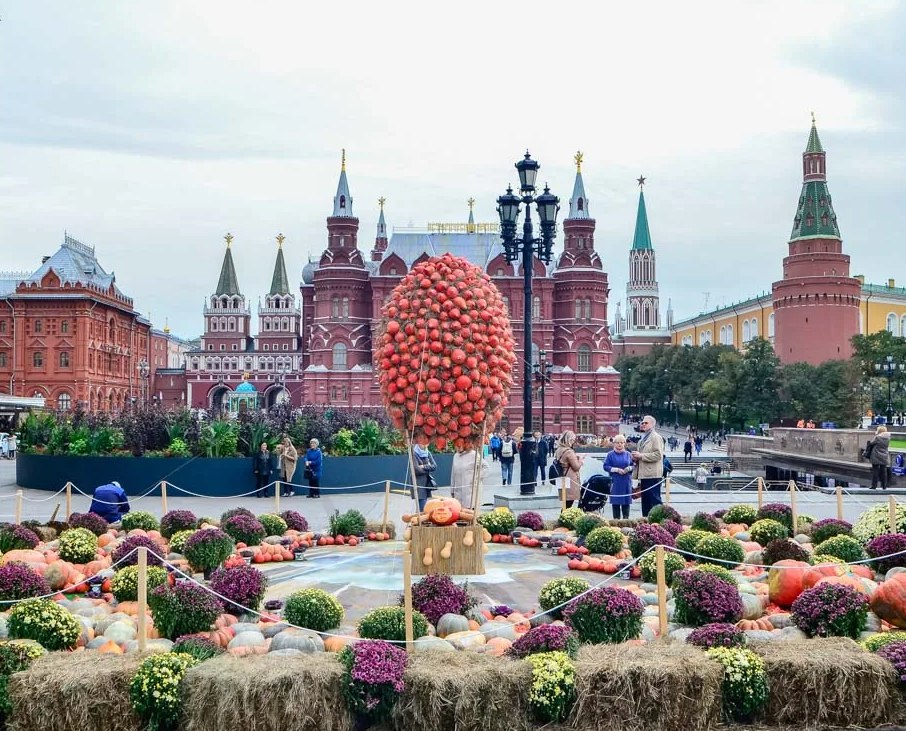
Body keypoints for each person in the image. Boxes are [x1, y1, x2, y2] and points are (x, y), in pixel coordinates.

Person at [630, 415, 665, 517]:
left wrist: (641, 456)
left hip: (653, 475)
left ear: (652, 425)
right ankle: (646, 523)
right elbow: (642, 457)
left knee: (654, 501)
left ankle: (659, 522)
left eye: (646, 423)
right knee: (645, 502)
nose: (643, 424)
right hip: (644, 474)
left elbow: (658, 455)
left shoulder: (656, 438)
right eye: (642, 423)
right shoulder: (642, 440)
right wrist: (635, 458)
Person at [602, 434, 633, 519]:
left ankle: (626, 520)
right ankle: (616, 521)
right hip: (615, 481)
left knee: (626, 503)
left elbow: (634, 465)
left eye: (622, 442)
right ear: (614, 443)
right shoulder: (610, 455)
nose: (620, 444)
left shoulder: (628, 454)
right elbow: (605, 466)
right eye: (618, 442)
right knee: (616, 503)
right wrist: (616, 470)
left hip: (626, 481)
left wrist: (629, 468)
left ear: (624, 443)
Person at [553, 430, 583, 508]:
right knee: (568, 503)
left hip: (561, 476)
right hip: (569, 478)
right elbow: (576, 467)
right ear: (569, 440)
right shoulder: (569, 451)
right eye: (573, 440)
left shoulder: (559, 449)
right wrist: (580, 460)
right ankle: (565, 519)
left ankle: (564, 518)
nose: (573, 442)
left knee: (565, 503)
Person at [412, 443, 437, 511]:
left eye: (426, 442)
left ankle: (419, 520)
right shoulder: (414, 453)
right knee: (422, 505)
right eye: (422, 442)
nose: (424, 444)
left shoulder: (427, 452)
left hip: (426, 482)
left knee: (424, 505)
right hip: (418, 483)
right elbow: (417, 470)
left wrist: (424, 466)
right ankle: (419, 520)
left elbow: (434, 466)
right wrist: (428, 468)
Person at [867, 425, 891, 490]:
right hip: (884, 455)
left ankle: (874, 485)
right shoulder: (888, 437)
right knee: (883, 471)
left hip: (876, 455)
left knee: (875, 470)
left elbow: (871, 443)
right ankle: (884, 486)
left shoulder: (877, 437)